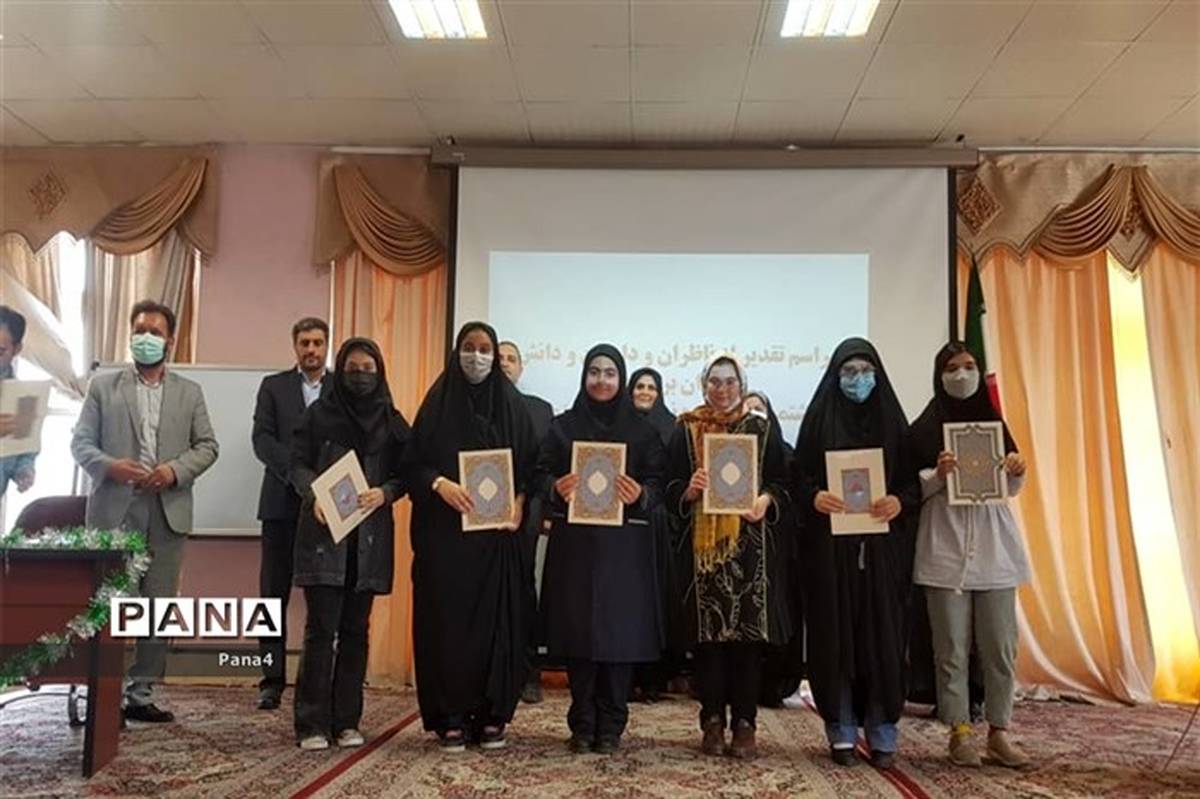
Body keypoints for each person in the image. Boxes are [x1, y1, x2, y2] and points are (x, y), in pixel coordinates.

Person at [71, 300, 219, 723]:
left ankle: (140, 695)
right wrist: (109, 466)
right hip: (115, 510)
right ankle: (105, 697)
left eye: (155, 332)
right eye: (140, 330)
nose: (146, 338)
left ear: (170, 340)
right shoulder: (103, 387)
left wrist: (174, 471)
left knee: (158, 607)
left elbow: (208, 446)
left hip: (167, 510)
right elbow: (80, 443)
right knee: (116, 606)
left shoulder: (190, 392)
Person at [407, 322, 539, 751]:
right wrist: (438, 484)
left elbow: (534, 467)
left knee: (498, 628)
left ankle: (492, 716)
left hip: (497, 544)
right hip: (446, 541)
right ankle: (450, 717)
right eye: (469, 347)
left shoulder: (514, 408)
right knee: (447, 627)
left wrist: (519, 500)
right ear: (456, 351)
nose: (477, 357)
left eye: (485, 349)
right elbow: (411, 463)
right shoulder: (437, 404)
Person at [793, 337, 918, 770]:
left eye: (865, 371)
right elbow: (797, 475)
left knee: (880, 639)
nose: (858, 380)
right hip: (831, 553)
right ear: (835, 376)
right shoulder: (818, 421)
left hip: (882, 554)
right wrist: (814, 496)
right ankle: (841, 727)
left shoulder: (893, 423)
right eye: (849, 372)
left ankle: (882, 729)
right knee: (836, 638)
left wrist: (899, 501)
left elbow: (912, 482)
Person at [909, 341, 1031, 769]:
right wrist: (937, 476)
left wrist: (1017, 471)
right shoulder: (923, 430)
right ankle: (959, 731)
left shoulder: (994, 423)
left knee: (1000, 647)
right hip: (944, 549)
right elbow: (908, 490)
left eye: (969, 366)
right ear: (939, 375)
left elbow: (1009, 489)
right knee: (951, 649)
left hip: (994, 552)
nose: (962, 375)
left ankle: (999, 732)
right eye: (952, 368)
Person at [539, 345, 665, 754]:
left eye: (610, 373)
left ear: (621, 379)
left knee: (619, 639)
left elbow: (661, 484)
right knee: (577, 636)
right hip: (575, 549)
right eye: (594, 372)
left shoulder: (644, 432)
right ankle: (582, 722)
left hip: (624, 552)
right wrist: (554, 487)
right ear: (584, 377)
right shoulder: (562, 428)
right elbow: (538, 474)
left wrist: (641, 494)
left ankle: (611, 725)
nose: (601, 380)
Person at [665, 354, 792, 760]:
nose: (722, 390)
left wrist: (765, 500)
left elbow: (783, 481)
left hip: (751, 549)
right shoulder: (686, 429)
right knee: (708, 642)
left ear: (742, 385)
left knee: (746, 643)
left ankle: (745, 723)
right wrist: (688, 490)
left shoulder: (761, 428)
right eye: (714, 382)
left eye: (730, 382)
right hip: (703, 555)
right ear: (704, 385)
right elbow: (667, 486)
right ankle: (712, 720)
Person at [290, 337, 410, 751]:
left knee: (356, 632)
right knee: (321, 631)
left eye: (368, 369)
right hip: (325, 538)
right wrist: (314, 494)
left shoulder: (392, 421)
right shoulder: (317, 416)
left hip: (369, 541)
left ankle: (346, 721)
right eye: (353, 369)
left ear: (380, 372)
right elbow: (296, 464)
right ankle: (310, 723)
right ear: (340, 372)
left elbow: (407, 472)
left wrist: (387, 493)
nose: (361, 376)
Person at [250, 317, 332, 711]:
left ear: (327, 346)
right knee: (272, 595)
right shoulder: (274, 387)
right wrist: (300, 477)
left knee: (325, 598)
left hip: (330, 507)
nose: (311, 349)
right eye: (304, 343)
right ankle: (271, 680)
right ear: (295, 346)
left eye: (317, 342)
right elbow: (262, 440)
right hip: (281, 505)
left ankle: (320, 679)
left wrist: (322, 484)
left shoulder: (341, 388)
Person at [498, 339, 554, 705]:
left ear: (521, 367)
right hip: (479, 512)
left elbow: (545, 464)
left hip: (526, 511)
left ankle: (528, 671)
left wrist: (544, 511)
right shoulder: (471, 405)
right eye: (499, 357)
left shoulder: (539, 409)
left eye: (511, 358)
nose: (504, 363)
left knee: (523, 588)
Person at [744, 391, 805, 709]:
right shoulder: (724, 454)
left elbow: (795, 500)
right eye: (747, 409)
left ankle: (774, 684)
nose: (754, 415)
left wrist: (769, 501)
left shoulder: (786, 454)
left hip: (777, 553)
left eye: (759, 409)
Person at [627, 366, 677, 702]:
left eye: (651, 387)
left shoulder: (673, 428)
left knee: (655, 602)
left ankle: (654, 678)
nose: (645, 392)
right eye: (639, 386)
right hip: (626, 527)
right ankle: (626, 676)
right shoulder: (620, 425)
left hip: (660, 530)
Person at [0, 305, 37, 498]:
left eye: (0, 352)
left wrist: (24, 471)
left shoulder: (23, 398)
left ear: (17, 349)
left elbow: (26, 450)